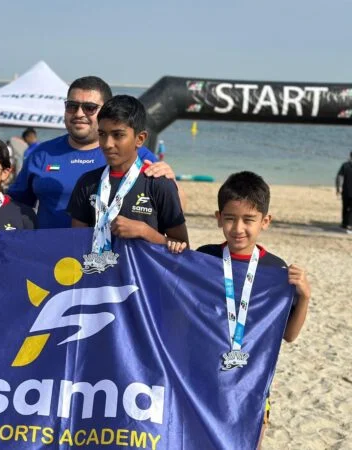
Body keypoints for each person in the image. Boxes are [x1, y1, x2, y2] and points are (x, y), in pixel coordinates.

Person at [176, 171, 310, 448]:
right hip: (202, 380)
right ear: (218, 218)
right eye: (230, 218)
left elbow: (289, 335)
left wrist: (304, 296)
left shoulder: (275, 269)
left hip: (250, 387)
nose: (238, 228)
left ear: (265, 221)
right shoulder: (204, 257)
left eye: (249, 220)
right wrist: (174, 251)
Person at [8, 76, 180, 229]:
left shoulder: (135, 154)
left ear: (106, 111)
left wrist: (169, 179)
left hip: (107, 253)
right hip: (49, 252)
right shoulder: (42, 153)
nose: (79, 113)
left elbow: (175, 208)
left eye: (89, 108)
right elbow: (15, 206)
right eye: (72, 106)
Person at [68, 95, 189, 249]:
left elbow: (184, 248)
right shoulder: (87, 182)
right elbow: (75, 244)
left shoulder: (159, 184)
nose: (108, 144)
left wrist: (145, 232)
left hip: (143, 267)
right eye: (102, 134)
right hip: (96, 265)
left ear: (140, 139)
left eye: (118, 135)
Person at [336, 151, 352, 233]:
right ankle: (349, 226)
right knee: (349, 209)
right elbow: (339, 177)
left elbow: (339, 177)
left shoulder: (345, 165)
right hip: (347, 191)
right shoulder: (345, 165)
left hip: (346, 191)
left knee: (345, 207)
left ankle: (344, 224)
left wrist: (338, 188)